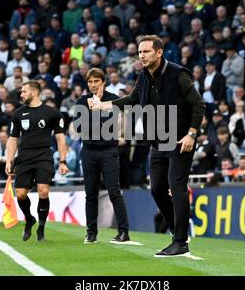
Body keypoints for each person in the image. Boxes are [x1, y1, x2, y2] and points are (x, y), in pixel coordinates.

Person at [88, 35, 205, 257]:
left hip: (180, 140)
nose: (141, 55)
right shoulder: (143, 77)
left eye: (146, 52)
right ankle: (178, 232)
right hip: (158, 140)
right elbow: (132, 99)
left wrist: (191, 134)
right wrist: (103, 105)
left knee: (177, 186)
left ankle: (180, 241)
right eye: (140, 52)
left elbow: (198, 104)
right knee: (157, 189)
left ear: (159, 53)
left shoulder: (178, 74)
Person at [6, 81, 69, 242]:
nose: (21, 94)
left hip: (43, 156)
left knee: (43, 191)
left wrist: (63, 161)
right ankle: (29, 219)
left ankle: (41, 227)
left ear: (34, 92)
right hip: (25, 157)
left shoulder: (52, 113)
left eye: (24, 91)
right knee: (20, 194)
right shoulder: (18, 114)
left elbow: (60, 138)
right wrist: (9, 160)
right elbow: (13, 139)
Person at [74, 68, 131, 244]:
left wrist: (96, 109)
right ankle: (91, 232)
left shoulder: (113, 99)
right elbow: (80, 128)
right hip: (89, 151)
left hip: (108, 151)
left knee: (114, 191)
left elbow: (111, 126)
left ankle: (123, 232)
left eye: (96, 81)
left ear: (103, 82)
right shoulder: (82, 101)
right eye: (90, 82)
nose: (92, 85)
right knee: (90, 194)